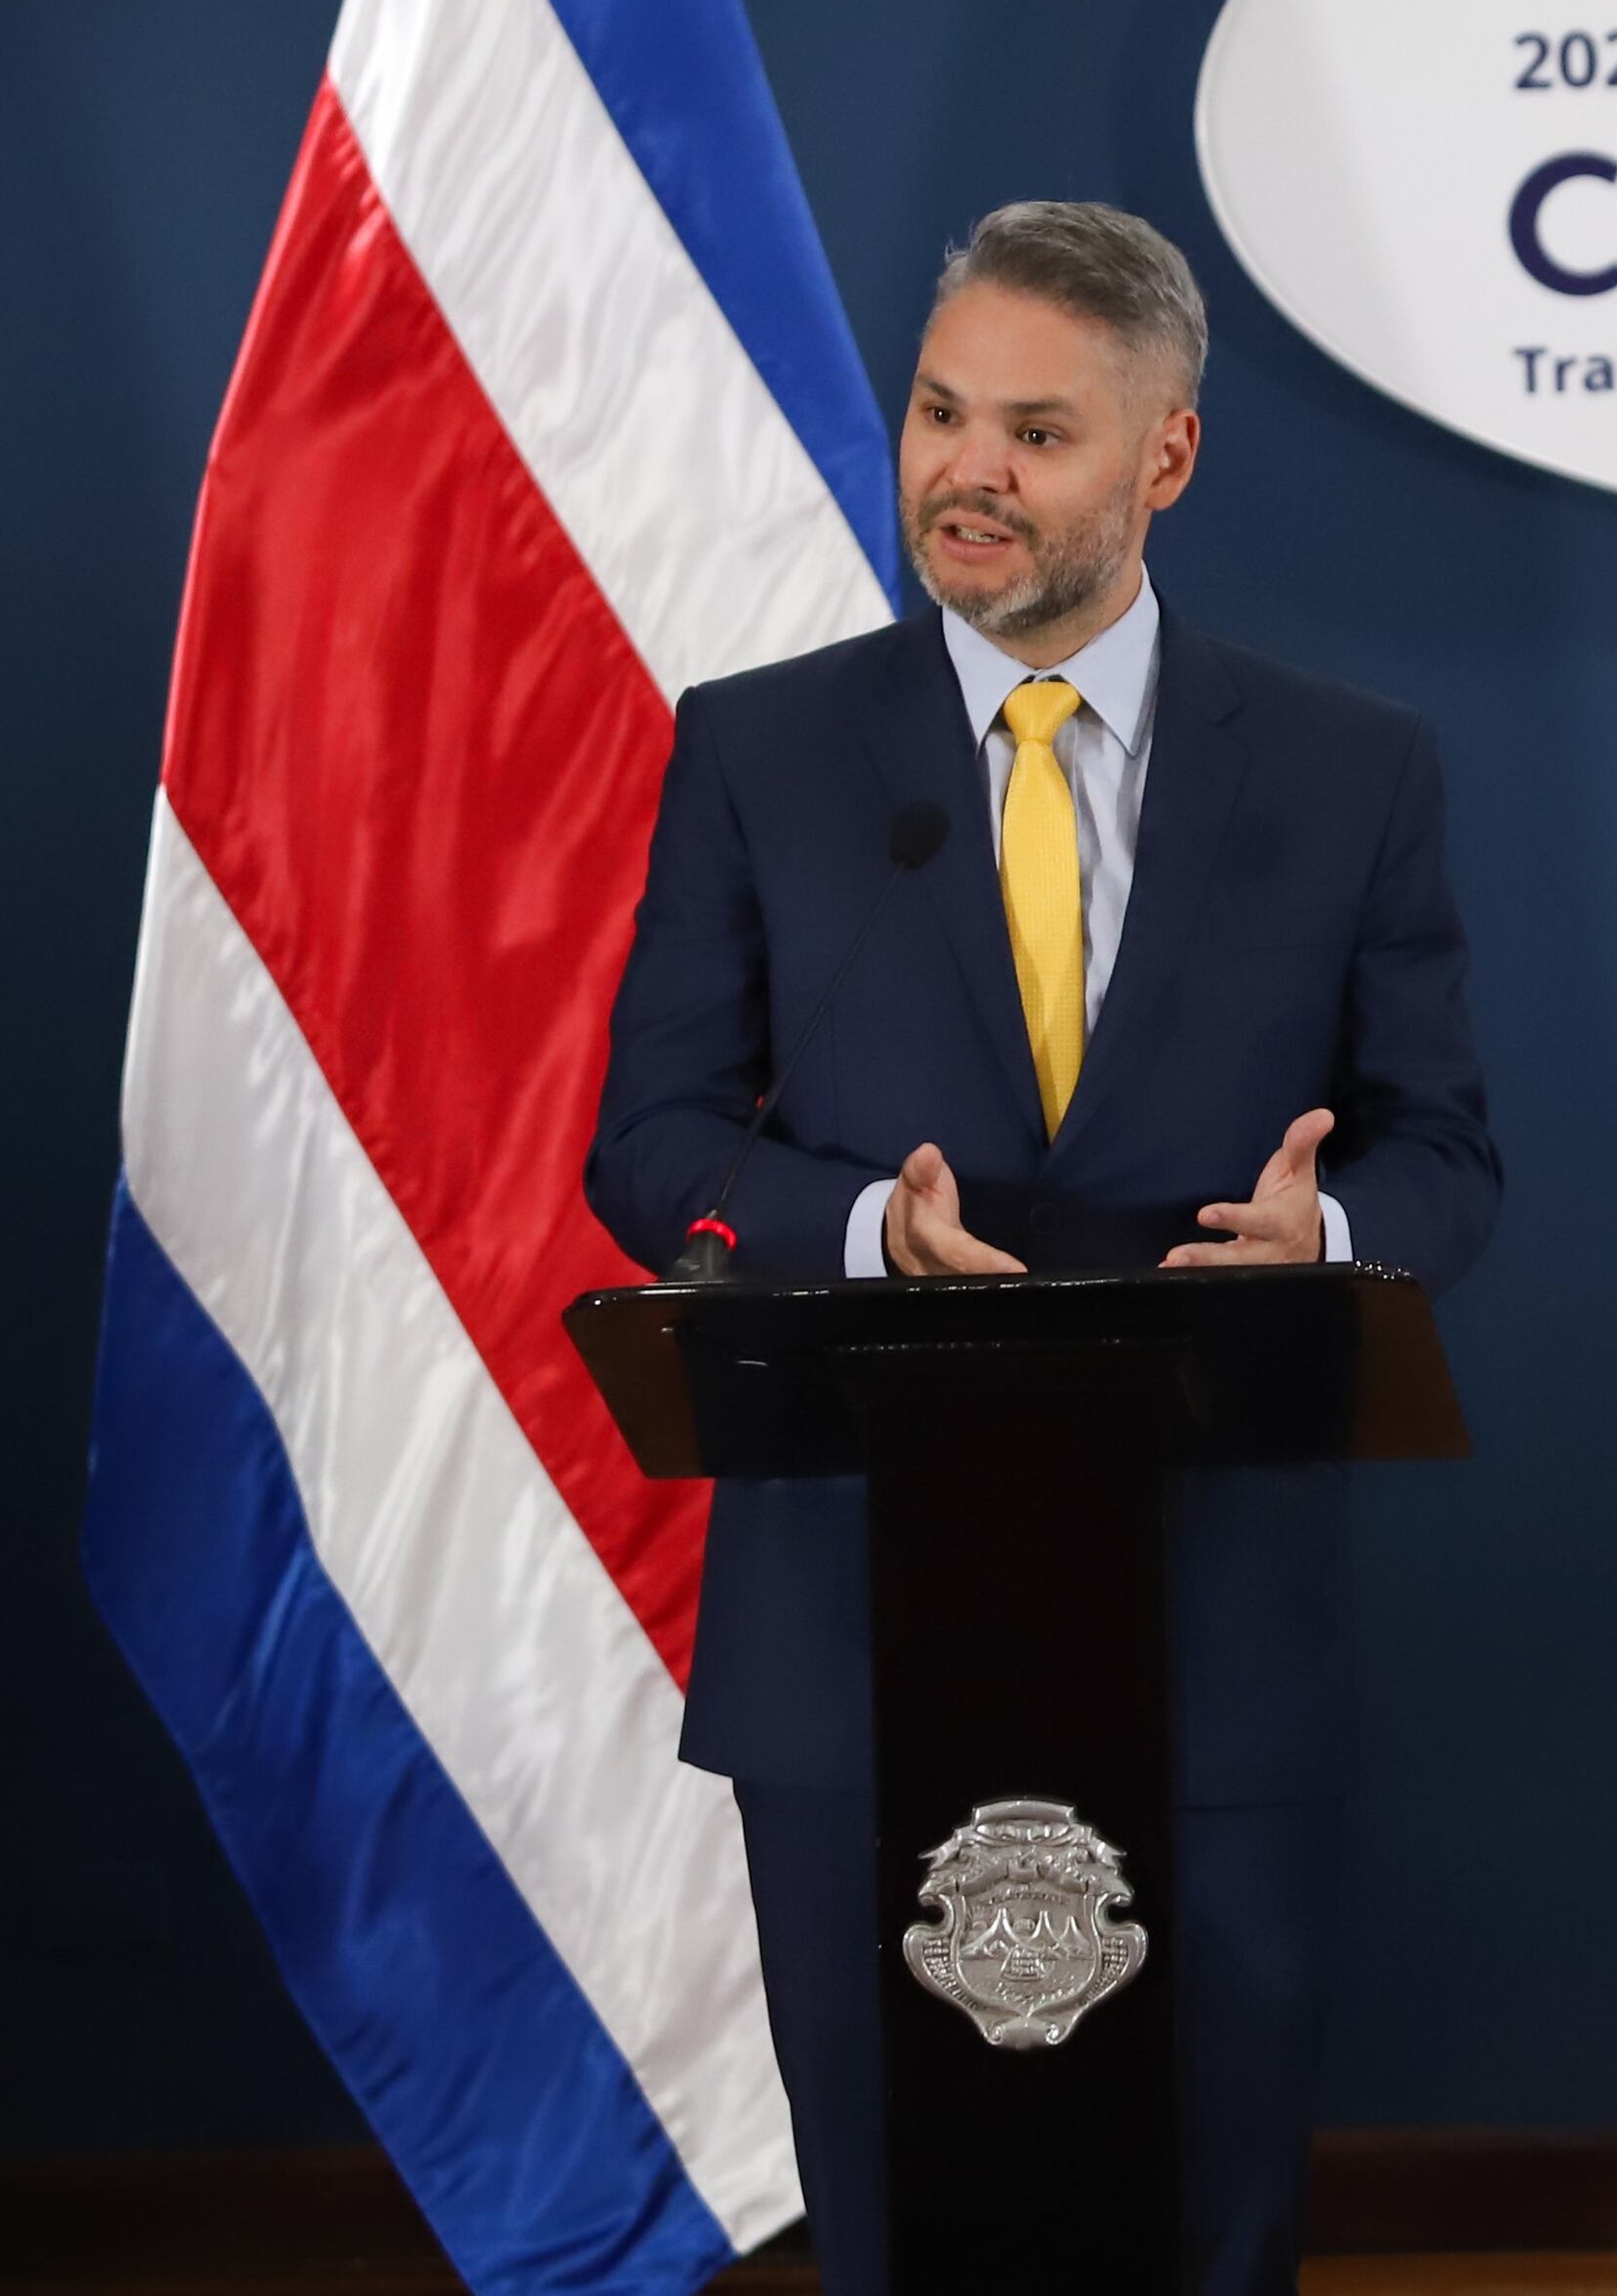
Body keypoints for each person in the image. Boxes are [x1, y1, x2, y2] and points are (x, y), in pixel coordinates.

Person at [588, 200, 1501, 2296]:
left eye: (1034, 431)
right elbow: (650, 1144)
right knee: (907, 2215)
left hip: (1217, 1621)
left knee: (1206, 2212)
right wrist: (851, 1235)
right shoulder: (762, 744)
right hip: (851, 1627)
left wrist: (1330, 1237)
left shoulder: (1355, 769)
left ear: (1164, 458)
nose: (963, 469)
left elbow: (1444, 1153)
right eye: (934, 412)